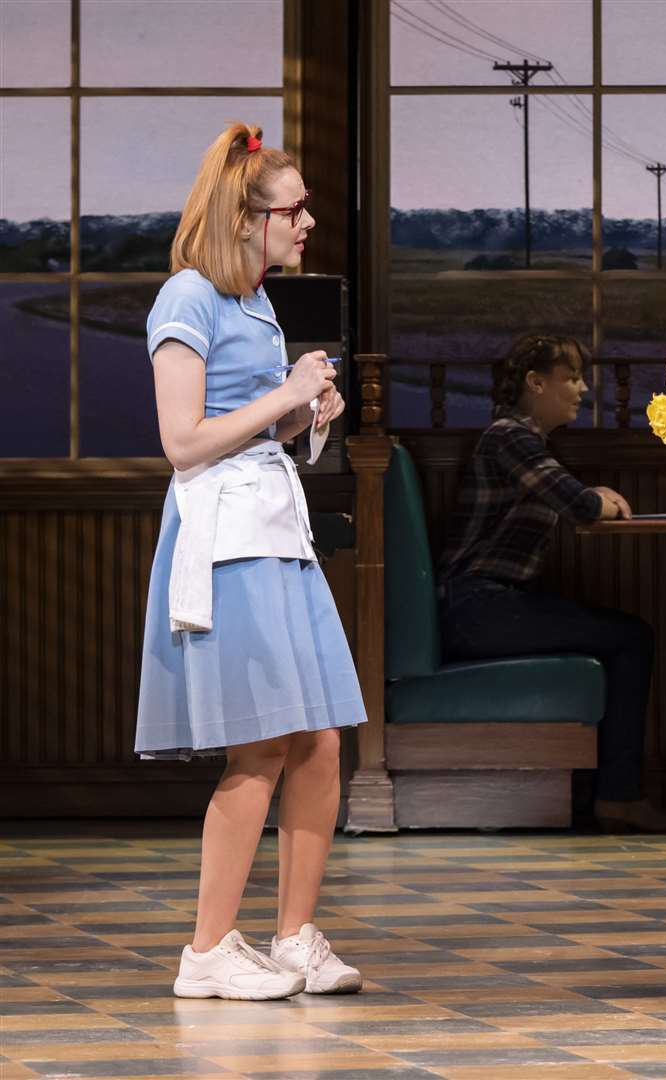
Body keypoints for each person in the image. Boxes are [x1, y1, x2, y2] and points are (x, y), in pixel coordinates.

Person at [137, 122, 364, 1000]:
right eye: (292, 210)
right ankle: (207, 950)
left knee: (320, 742)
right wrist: (288, 394)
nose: (306, 223)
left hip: (277, 532)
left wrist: (301, 415)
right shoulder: (186, 298)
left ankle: (296, 935)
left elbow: (255, 421)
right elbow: (183, 440)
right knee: (263, 746)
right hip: (227, 538)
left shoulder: (255, 302)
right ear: (244, 218)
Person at [437, 334, 666, 833]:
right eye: (570, 378)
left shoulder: (522, 442)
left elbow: (571, 495)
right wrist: (597, 497)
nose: (582, 389)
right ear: (535, 382)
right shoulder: (509, 437)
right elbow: (582, 506)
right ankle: (618, 796)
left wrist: (591, 494)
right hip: (476, 607)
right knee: (632, 637)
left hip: (489, 606)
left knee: (629, 635)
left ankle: (616, 793)